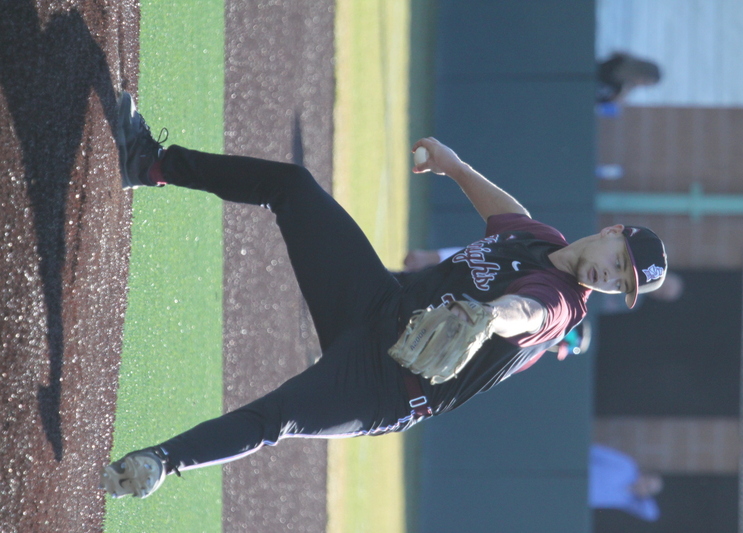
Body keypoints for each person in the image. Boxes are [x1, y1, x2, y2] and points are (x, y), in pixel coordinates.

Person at [102, 91, 668, 499]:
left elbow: (529, 313)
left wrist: (488, 317)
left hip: (388, 387)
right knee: (293, 187)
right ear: (611, 232)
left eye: (621, 284)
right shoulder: (541, 239)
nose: (611, 276)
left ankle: (159, 463)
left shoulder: (563, 303)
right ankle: (149, 162)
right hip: (377, 306)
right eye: (619, 262)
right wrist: (453, 166)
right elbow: (508, 214)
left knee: (278, 417)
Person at [590, 444, 662, 521]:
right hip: (581, 475)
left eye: (648, 488)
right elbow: (596, 452)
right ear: (645, 474)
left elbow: (652, 515)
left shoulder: (628, 501)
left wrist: (645, 497)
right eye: (647, 481)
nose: (644, 485)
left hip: (581, 497)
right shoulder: (627, 466)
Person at [596, 52, 661, 105]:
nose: (640, 83)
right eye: (644, 80)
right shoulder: (618, 63)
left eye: (644, 84)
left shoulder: (620, 90)